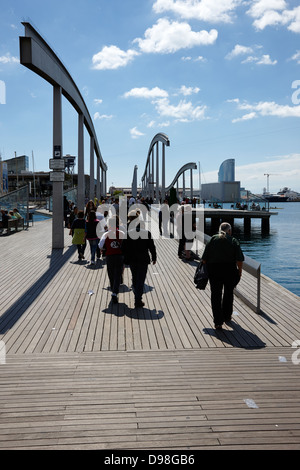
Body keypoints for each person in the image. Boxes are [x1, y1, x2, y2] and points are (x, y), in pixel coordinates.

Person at [202, 222, 244, 330]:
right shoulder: (233, 241)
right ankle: (227, 316)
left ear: (219, 229)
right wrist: (239, 272)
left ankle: (218, 322)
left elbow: (204, 258)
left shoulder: (212, 239)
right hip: (229, 270)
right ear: (229, 231)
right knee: (228, 293)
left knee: (216, 295)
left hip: (214, 271)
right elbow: (239, 259)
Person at [122, 210, 157, 308]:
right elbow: (152, 247)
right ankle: (138, 299)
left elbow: (123, 248)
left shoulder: (128, 233)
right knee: (141, 279)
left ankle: (136, 294)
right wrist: (154, 257)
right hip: (143, 259)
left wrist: (125, 258)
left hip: (132, 259)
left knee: (135, 277)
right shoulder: (147, 233)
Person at [99, 216, 125, 303]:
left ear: (109, 224)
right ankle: (115, 292)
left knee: (111, 273)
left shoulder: (106, 234)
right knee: (118, 274)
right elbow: (125, 244)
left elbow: (100, 245)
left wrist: (103, 249)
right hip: (120, 256)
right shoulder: (122, 233)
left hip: (109, 256)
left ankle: (113, 289)